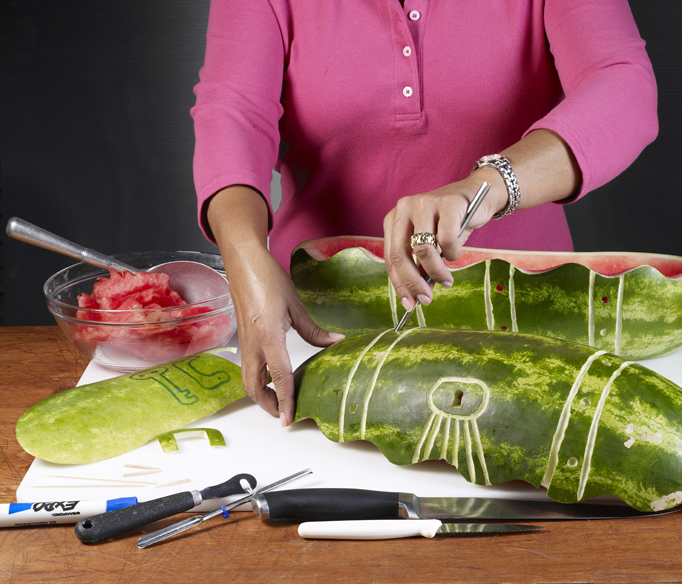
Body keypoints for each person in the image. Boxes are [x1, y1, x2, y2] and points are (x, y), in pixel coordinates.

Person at [191, 0, 658, 427]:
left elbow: (624, 83)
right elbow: (233, 114)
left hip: (534, 320)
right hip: (313, 332)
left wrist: (489, 186)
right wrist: (245, 256)